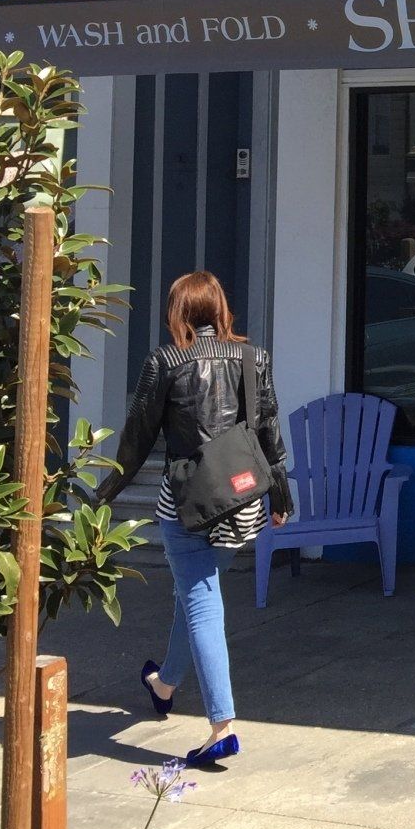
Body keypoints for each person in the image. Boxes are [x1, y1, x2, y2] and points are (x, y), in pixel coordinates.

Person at [97, 271, 292, 768]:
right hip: (242, 501)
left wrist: (105, 492)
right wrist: (281, 496)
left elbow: (137, 437)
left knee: (202, 602)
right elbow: (268, 430)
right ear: (221, 310)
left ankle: (222, 725)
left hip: (186, 504)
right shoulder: (253, 358)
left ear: (178, 313)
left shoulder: (164, 362)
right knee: (197, 592)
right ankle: (163, 683)